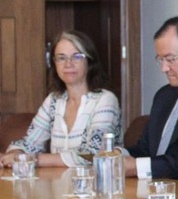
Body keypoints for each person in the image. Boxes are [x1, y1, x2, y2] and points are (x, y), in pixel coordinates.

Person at [1, 31, 121, 168]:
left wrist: (32, 159)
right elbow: (30, 143)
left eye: (76, 57)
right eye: (61, 58)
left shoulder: (105, 100)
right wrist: (17, 153)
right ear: (54, 63)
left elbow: (93, 155)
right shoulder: (53, 100)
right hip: (57, 183)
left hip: (96, 185)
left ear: (89, 61)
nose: (68, 64)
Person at [123, 15, 178, 180]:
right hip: (153, 193)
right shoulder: (164, 96)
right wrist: (119, 155)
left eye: (170, 59)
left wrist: (136, 167)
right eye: (160, 59)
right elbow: (145, 151)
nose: (164, 68)